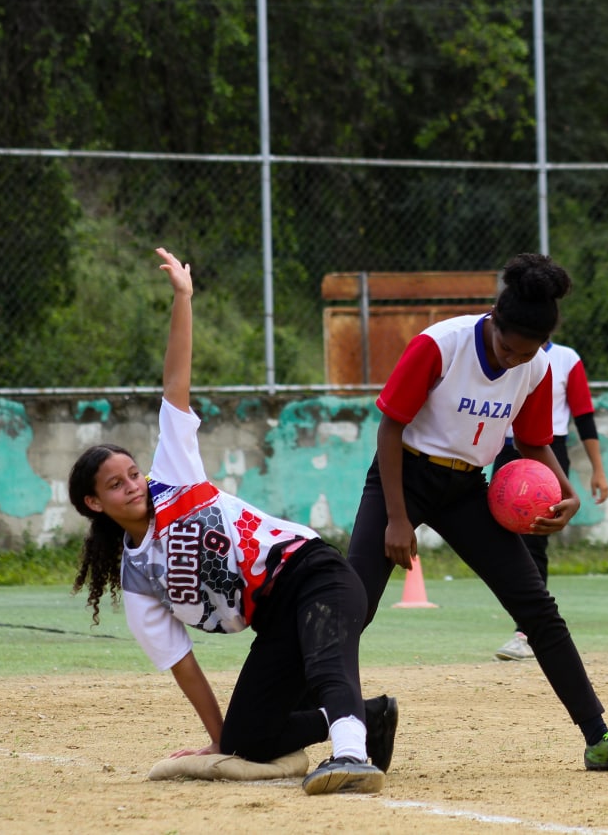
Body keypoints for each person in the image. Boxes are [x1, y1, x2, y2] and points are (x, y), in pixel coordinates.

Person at [68, 247, 397, 797]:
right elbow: (185, 667)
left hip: (312, 573)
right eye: (116, 484)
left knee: (324, 663)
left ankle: (351, 755)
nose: (133, 484)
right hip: (273, 619)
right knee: (248, 736)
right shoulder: (139, 582)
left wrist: (183, 297)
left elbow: (175, 381)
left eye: (132, 471)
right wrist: (219, 744)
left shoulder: (173, 473)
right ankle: (372, 716)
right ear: (95, 505)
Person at [345, 252, 608, 772]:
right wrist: (397, 519)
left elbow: (534, 441)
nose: (515, 359)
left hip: (468, 488)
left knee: (538, 609)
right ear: (494, 319)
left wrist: (567, 491)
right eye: (508, 347)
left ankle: (600, 738)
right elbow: (391, 429)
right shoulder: (440, 345)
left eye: (527, 352)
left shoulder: (535, 365)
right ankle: (339, 735)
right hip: (404, 477)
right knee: (352, 606)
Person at [491, 340, 608, 661]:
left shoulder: (567, 358)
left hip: (547, 450)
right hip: (505, 446)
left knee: (535, 539)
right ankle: (525, 622)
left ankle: (526, 632)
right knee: (498, 537)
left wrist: (597, 470)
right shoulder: (501, 349)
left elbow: (584, 416)